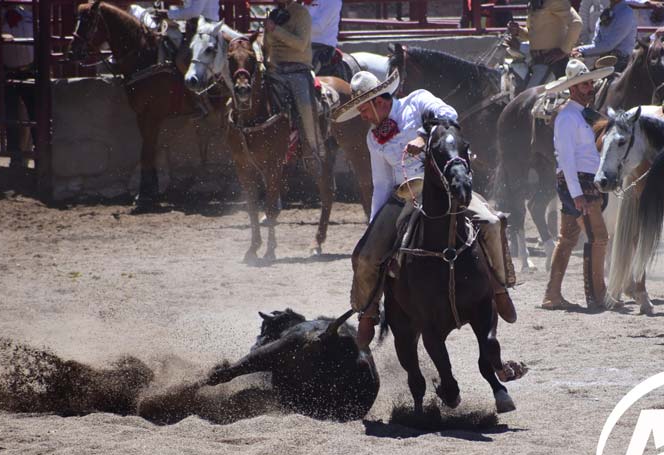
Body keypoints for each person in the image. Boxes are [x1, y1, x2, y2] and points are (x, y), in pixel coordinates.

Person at [333, 71, 518, 350]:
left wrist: (423, 136)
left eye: (363, 109)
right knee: (365, 256)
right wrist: (373, 225)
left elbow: (448, 114)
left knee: (491, 222)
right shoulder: (373, 138)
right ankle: (368, 313)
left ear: (377, 102)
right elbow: (381, 183)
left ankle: (499, 287)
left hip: (444, 185)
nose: (362, 116)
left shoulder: (417, 102)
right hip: (402, 194)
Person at [540, 60, 619, 312]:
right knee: (599, 237)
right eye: (585, 84)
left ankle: (552, 295)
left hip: (581, 182)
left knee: (567, 238)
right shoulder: (568, 117)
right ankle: (598, 295)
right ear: (573, 88)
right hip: (579, 184)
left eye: (591, 83)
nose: (591, 87)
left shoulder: (577, 115)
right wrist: (576, 194)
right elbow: (566, 159)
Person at [262, 0, 323, 174]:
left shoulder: (301, 13)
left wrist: (275, 30)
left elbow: (301, 44)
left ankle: (312, 150)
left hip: (298, 69)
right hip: (275, 68)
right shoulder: (274, 15)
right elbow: (266, 45)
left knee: (305, 106)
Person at [0, 3, 35, 171]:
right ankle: (15, 157)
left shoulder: (29, 15)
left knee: (35, 113)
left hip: (30, 70)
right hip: (8, 72)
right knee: (11, 116)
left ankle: (40, 154)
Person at [507, 0, 584, 88]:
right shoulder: (534, 3)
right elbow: (534, 34)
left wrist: (563, 50)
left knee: (531, 97)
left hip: (552, 63)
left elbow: (577, 23)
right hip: (537, 62)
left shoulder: (555, 2)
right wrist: (518, 31)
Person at [572, 0, 638, 71]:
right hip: (603, 59)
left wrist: (581, 50)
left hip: (620, 62)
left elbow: (608, 45)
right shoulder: (607, 11)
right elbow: (597, 42)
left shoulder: (626, 14)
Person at [305, 0, 343, 74]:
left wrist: (295, 27)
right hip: (303, 44)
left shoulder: (332, 1)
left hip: (321, 47)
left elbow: (318, 27)